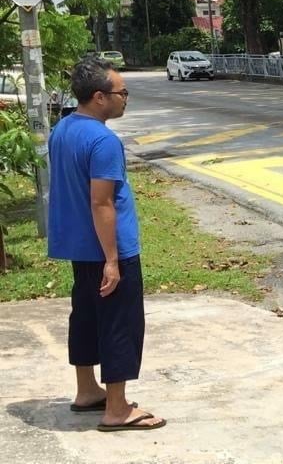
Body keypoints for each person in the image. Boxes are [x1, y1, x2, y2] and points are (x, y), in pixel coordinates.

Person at [47, 59, 165, 432]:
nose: (125, 99)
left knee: (84, 316)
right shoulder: (103, 141)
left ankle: (87, 391)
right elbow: (102, 202)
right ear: (99, 97)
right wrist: (112, 260)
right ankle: (117, 408)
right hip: (108, 249)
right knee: (120, 323)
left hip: (79, 247)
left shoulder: (62, 129)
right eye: (121, 92)